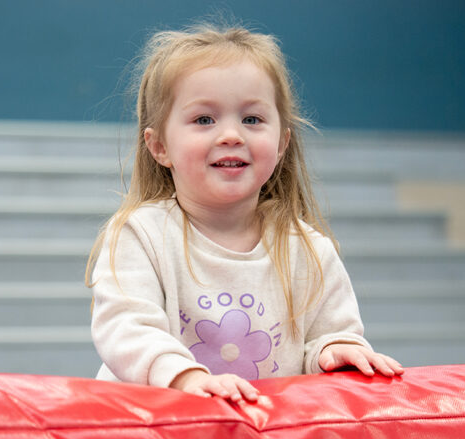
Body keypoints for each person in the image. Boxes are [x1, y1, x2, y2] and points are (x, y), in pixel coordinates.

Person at [86, 23, 403, 403]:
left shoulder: (306, 249)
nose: (231, 135)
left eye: (252, 119)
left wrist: (334, 350)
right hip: (159, 437)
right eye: (204, 119)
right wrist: (185, 378)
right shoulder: (140, 235)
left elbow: (330, 333)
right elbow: (126, 329)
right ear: (159, 147)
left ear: (282, 141)